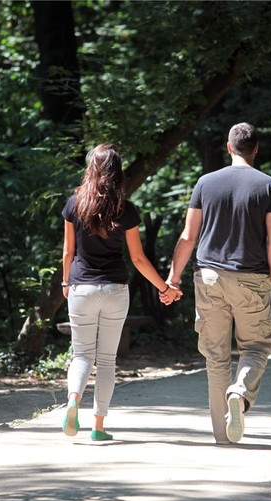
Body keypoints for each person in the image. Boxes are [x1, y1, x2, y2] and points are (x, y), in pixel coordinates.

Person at [165, 122, 271, 444]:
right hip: (252, 276)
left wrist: (172, 279)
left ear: (228, 147)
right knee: (257, 346)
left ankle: (222, 434)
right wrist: (270, 279)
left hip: (209, 277)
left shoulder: (206, 183)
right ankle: (240, 391)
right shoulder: (270, 186)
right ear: (256, 149)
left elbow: (189, 236)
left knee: (216, 356)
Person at [61, 143, 179, 441]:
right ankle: (98, 427)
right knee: (107, 360)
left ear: (92, 170)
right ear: (118, 173)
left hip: (81, 287)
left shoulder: (74, 205)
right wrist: (164, 288)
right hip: (114, 289)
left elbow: (67, 252)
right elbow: (138, 259)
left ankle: (73, 399)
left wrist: (66, 283)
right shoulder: (125, 210)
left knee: (81, 354)